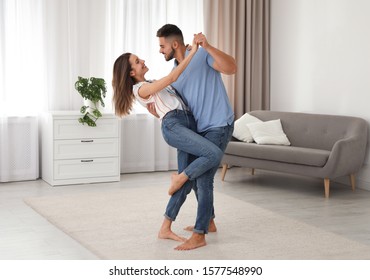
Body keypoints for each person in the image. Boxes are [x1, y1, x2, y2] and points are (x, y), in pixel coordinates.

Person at [112, 36, 224, 226]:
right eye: (138, 62)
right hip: (175, 127)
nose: (143, 61)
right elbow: (173, 77)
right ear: (131, 72)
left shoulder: (151, 84)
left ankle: (170, 225)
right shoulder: (140, 89)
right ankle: (181, 177)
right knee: (213, 154)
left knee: (189, 180)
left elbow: (169, 103)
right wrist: (193, 53)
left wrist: (183, 52)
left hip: (186, 124)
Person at [155, 24, 236, 250]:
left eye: (162, 46)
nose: (160, 50)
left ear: (175, 44)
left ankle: (200, 234)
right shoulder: (175, 74)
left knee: (204, 179)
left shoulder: (200, 55)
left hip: (219, 122)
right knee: (201, 178)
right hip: (199, 129)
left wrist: (208, 46)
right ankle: (209, 222)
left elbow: (231, 68)